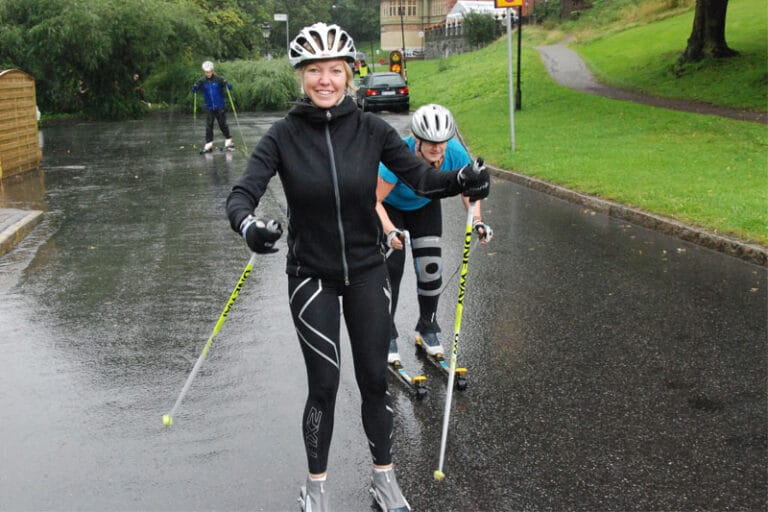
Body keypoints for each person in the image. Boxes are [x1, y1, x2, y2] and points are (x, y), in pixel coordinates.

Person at [225, 22, 489, 512]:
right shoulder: (282, 136)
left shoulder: (372, 131)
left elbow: (423, 179)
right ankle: (316, 488)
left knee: (373, 380)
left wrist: (464, 178)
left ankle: (384, 480)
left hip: (368, 271)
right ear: (301, 75)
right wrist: (249, 226)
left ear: (349, 74)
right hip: (311, 277)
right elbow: (242, 194)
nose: (324, 80)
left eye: (334, 70)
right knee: (324, 387)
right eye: (314, 70)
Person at [375, 104, 493, 364]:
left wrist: (478, 222)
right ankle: (386, 332)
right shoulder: (398, 155)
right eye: (430, 142)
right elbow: (375, 200)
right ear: (417, 139)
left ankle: (428, 327)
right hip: (390, 208)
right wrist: (389, 230)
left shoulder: (455, 153)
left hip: (424, 205)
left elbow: (470, 191)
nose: (437, 148)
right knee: (392, 268)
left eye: (442, 142)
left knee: (430, 267)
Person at [192, 60, 234, 153]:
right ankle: (209, 144)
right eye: (206, 72)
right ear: (204, 72)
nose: (208, 74)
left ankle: (229, 140)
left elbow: (230, 87)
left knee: (222, 124)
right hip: (209, 107)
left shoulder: (219, 79)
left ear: (212, 71)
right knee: (209, 126)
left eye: (209, 72)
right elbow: (194, 90)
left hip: (220, 106)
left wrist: (227, 84)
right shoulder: (202, 81)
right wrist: (194, 88)